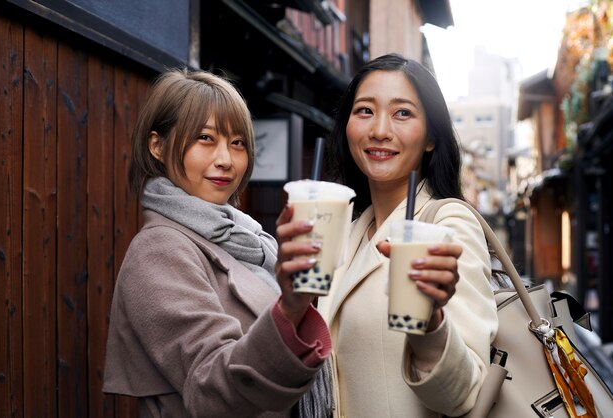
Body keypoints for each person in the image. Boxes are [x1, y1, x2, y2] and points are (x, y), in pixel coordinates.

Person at [102, 68, 332, 417]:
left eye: (237, 142)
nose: (226, 159)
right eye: (206, 138)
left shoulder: (250, 239)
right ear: (158, 146)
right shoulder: (160, 250)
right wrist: (290, 308)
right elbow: (213, 390)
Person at [316, 53, 499, 417]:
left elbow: (464, 395)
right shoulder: (346, 233)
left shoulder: (448, 224)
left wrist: (430, 324)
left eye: (403, 113)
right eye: (365, 110)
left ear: (430, 138)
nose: (380, 130)